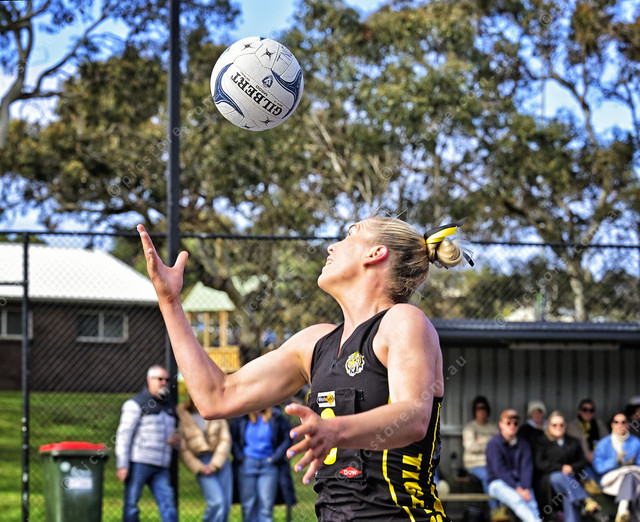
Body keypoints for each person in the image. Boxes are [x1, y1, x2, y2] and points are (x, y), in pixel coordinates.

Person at [138, 216, 471, 521]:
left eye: (350, 234)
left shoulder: (403, 321)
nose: (332, 246)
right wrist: (169, 301)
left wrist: (335, 430)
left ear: (375, 253)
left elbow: (413, 416)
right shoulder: (314, 343)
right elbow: (215, 398)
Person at [115, 365, 179, 522]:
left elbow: (177, 435)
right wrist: (122, 464)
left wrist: (177, 441)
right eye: (160, 379)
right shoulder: (135, 404)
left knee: (168, 504)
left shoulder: (170, 405)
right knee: (131, 504)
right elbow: (124, 435)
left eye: (166, 380)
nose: (164, 382)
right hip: (139, 462)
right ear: (149, 380)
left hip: (162, 465)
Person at [230, 407, 296, 522]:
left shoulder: (276, 417)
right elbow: (232, 439)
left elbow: (287, 438)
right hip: (247, 465)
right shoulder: (242, 417)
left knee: (266, 507)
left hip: (269, 466)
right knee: (248, 506)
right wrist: (240, 457)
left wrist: (274, 458)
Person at [534, 411, 600, 522]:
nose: (558, 427)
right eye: (554, 425)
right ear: (549, 426)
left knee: (568, 495)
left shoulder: (573, 442)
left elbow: (583, 462)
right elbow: (540, 463)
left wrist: (571, 468)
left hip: (571, 483)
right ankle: (585, 500)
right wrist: (561, 468)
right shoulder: (541, 442)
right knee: (560, 477)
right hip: (549, 483)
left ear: (565, 426)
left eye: (561, 425)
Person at [177, 395, 233, 522]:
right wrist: (200, 467)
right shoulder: (183, 416)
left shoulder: (215, 410)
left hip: (220, 460)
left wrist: (215, 464)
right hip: (201, 462)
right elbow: (184, 449)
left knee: (225, 505)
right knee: (217, 502)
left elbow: (225, 439)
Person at [486, 408, 541, 522]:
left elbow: (527, 468)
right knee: (517, 500)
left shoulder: (524, 444)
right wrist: (518, 489)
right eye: (508, 423)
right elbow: (499, 471)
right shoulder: (494, 444)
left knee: (532, 503)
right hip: (498, 483)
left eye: (515, 423)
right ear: (501, 424)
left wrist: (525, 488)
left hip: (520, 484)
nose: (512, 426)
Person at [593, 412, 640, 522]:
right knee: (631, 478)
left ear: (628, 425)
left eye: (623, 422)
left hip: (632, 477)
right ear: (612, 425)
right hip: (611, 480)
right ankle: (623, 509)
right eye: (616, 422)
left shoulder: (636, 442)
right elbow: (598, 467)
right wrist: (615, 462)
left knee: (630, 476)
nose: (620, 425)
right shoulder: (603, 443)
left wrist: (631, 463)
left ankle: (623, 510)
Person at [462, 395, 499, 508]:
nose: (481, 411)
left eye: (484, 408)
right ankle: (495, 510)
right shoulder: (470, 428)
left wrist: (481, 440)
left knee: (503, 477)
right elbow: (471, 447)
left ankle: (503, 510)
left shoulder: (493, 427)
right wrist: (490, 441)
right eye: (478, 408)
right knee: (488, 477)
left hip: (492, 464)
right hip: (474, 465)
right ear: (474, 411)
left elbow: (499, 446)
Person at [566, 398, 609, 482]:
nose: (588, 412)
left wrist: (597, 455)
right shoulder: (572, 426)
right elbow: (574, 445)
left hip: (600, 461)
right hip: (581, 463)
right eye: (585, 410)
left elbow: (607, 441)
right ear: (579, 411)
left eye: (591, 410)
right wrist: (587, 454)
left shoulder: (599, 424)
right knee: (590, 481)